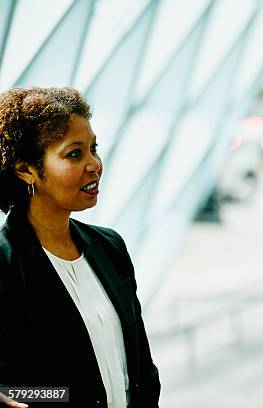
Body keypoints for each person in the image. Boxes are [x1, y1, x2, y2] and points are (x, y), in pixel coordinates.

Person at [0, 87, 160, 407]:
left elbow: (142, 367)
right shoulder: (5, 264)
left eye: (93, 149)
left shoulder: (109, 246)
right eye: (75, 154)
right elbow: (9, 390)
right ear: (25, 169)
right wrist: (67, 398)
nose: (94, 164)